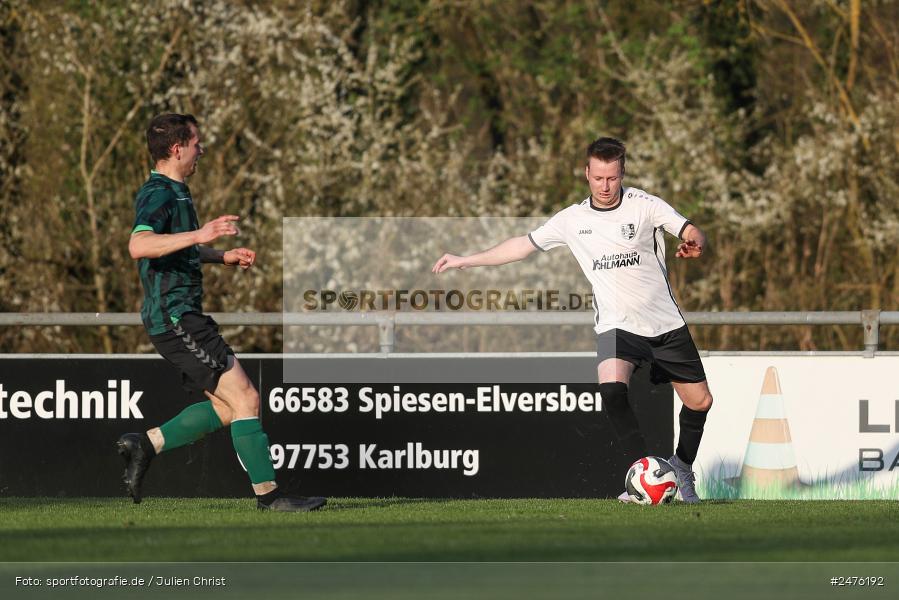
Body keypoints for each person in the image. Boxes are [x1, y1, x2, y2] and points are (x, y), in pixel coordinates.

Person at [432, 137, 712, 503]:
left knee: (700, 402)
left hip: (664, 325)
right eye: (598, 178)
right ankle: (642, 476)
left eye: (612, 177)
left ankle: (682, 468)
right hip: (617, 325)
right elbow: (521, 245)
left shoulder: (645, 206)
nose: (606, 186)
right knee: (612, 391)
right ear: (586, 174)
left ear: (622, 172)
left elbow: (690, 228)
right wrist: (465, 259)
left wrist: (696, 242)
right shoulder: (572, 220)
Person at [117, 113, 326, 512]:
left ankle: (145, 444)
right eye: (197, 143)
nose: (202, 150)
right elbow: (140, 246)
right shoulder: (158, 192)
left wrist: (219, 256)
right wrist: (201, 234)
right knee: (246, 397)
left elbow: (175, 247)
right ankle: (270, 497)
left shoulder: (178, 191)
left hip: (181, 316)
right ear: (177, 148)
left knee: (227, 408)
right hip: (176, 317)